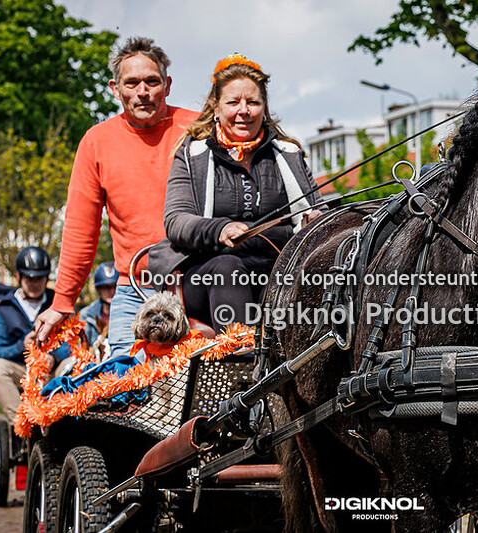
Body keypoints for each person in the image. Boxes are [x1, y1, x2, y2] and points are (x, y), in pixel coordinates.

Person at [34, 37, 198, 356]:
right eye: (132, 82)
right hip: (134, 289)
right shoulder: (96, 142)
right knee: (124, 389)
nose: (142, 91)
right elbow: (81, 231)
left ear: (167, 84)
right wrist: (62, 302)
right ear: (115, 88)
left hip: (200, 284)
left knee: (209, 394)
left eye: (152, 81)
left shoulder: (197, 128)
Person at [149, 53, 324, 331]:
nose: (244, 110)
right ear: (216, 107)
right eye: (233, 102)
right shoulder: (192, 155)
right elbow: (176, 221)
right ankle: (240, 360)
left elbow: (319, 210)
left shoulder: (289, 154)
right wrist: (220, 229)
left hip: (276, 273)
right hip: (208, 276)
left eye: (253, 102)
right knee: (228, 267)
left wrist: (314, 220)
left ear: (264, 108)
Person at [0, 248, 68, 424]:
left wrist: (54, 357)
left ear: (47, 277)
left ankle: (66, 421)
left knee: (75, 363)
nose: (34, 283)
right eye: (29, 278)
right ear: (19, 276)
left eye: (39, 278)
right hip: (21, 369)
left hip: (54, 370)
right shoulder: (2, 309)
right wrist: (21, 346)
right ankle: (23, 424)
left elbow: (73, 343)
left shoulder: (60, 304)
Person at [79, 262, 119, 359]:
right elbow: (80, 347)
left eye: (115, 286)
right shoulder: (86, 314)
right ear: (98, 289)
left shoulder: (129, 313)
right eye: (106, 287)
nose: (111, 291)